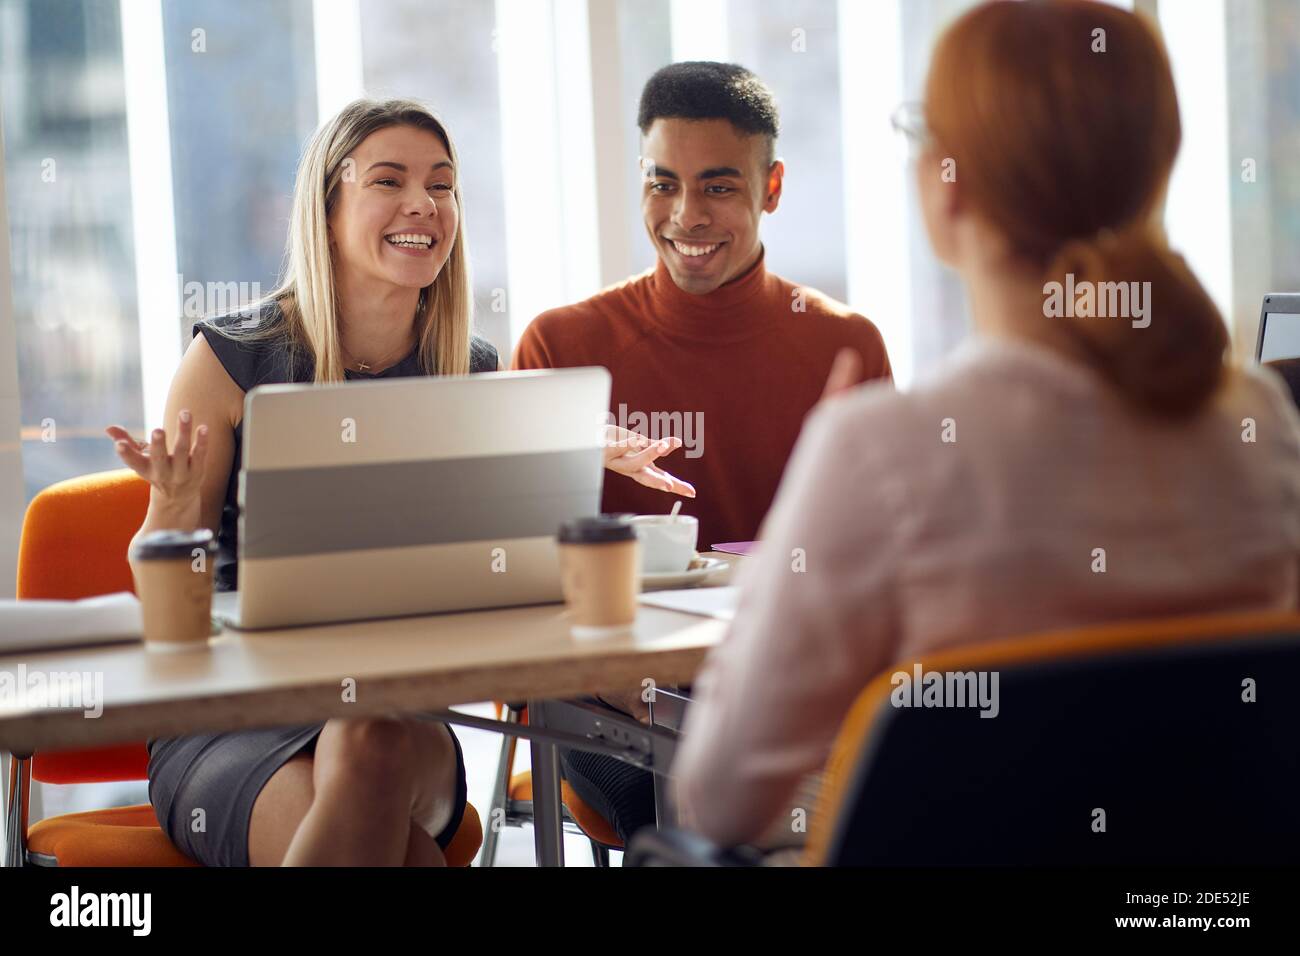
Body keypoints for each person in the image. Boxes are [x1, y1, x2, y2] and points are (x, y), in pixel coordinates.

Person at [672, 0, 1300, 848]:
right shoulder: (1255, 421)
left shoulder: (879, 453)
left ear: (949, 180)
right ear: (1156, 168)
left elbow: (718, 800)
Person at [105, 99, 687, 866]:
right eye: (390, 180)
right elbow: (163, 609)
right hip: (236, 717)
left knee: (373, 741)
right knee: (398, 844)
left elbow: (503, 590)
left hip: (400, 716)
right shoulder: (229, 361)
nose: (424, 203)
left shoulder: (473, 372)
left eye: (442, 185)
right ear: (329, 205)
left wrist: (550, 469)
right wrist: (177, 509)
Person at [510, 61, 892, 846]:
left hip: (793, 694)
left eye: (719, 186)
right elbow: (516, 579)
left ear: (772, 187)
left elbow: (879, 574)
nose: (686, 215)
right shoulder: (561, 345)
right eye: (663, 184)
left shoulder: (844, 345)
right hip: (615, 714)